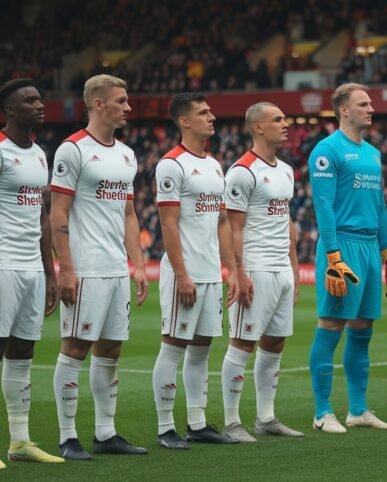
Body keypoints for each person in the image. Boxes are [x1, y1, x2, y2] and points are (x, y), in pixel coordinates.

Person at [50, 74, 150, 459]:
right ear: (97, 104)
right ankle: (66, 436)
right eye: (121, 101)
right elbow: (57, 211)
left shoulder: (126, 154)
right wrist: (66, 268)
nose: (128, 107)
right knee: (75, 346)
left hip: (115, 268)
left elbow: (128, 214)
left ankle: (106, 434)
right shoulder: (72, 150)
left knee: (111, 349)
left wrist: (138, 265)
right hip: (86, 266)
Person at [0, 78, 64, 469]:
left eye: (40, 98)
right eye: (29, 100)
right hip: (1, 264)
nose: (40, 105)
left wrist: (50, 272)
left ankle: (20, 441)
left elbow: (41, 218)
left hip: (32, 269)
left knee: (23, 352)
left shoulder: (40, 154)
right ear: (10, 109)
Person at [308, 83, 387, 433]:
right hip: (342, 246)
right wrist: (332, 254)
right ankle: (322, 412)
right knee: (331, 324)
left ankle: (358, 410)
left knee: (363, 329)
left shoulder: (373, 154)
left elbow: (379, 206)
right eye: (363, 103)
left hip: (370, 248)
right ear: (343, 109)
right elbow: (323, 205)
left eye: (371, 102)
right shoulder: (327, 150)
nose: (371, 108)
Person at [151, 92, 239, 449]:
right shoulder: (172, 164)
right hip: (183, 273)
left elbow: (220, 221)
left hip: (210, 273)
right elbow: (168, 225)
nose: (212, 117)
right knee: (173, 346)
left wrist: (230, 268)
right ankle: (165, 427)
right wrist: (181, 274)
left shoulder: (215, 165)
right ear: (184, 121)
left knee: (202, 348)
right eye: (203, 113)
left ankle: (198, 423)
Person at [220, 102, 304, 441]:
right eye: (278, 120)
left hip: (281, 268)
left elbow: (287, 222)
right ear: (257, 127)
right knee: (242, 342)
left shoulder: (285, 169)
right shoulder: (242, 171)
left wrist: (294, 268)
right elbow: (231, 227)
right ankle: (230, 422)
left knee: (275, 342)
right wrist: (237, 272)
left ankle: (266, 418)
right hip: (255, 267)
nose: (286, 124)